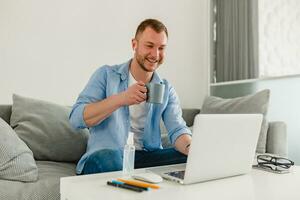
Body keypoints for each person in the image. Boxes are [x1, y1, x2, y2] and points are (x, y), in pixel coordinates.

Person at [69, 18, 192, 175]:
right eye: (149, 46)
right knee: (111, 157)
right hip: (107, 156)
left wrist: (193, 149)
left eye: (161, 48)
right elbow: (76, 118)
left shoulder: (165, 89)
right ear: (134, 44)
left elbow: (178, 129)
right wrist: (121, 99)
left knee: (189, 158)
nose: (155, 54)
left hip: (144, 158)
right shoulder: (106, 75)